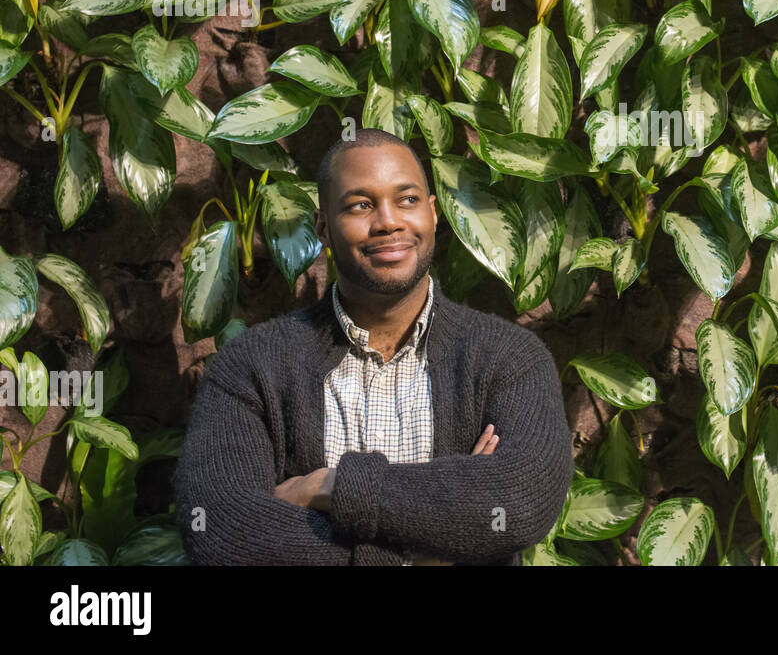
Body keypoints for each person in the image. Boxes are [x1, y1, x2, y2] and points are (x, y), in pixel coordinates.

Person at [173, 128, 574, 564]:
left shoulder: (510, 359)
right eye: (361, 205)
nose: (388, 221)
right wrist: (433, 541)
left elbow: (518, 506)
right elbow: (221, 532)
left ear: (434, 214)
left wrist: (328, 487)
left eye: (407, 200)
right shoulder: (250, 366)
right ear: (323, 227)